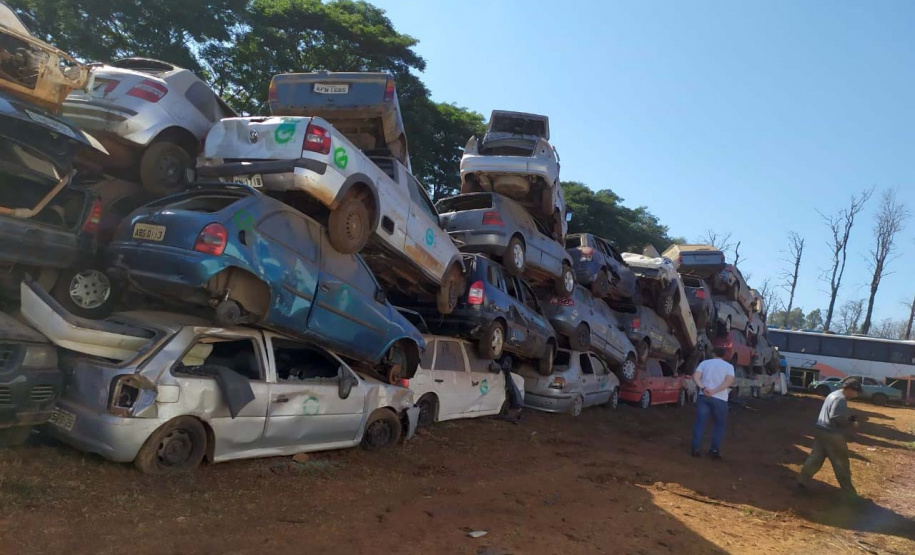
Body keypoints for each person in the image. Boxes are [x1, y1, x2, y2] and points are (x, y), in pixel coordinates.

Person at [797, 377, 862, 502]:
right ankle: (851, 496)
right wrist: (850, 421)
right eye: (856, 392)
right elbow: (836, 418)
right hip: (832, 434)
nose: (856, 395)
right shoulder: (841, 399)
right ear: (850, 389)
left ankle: (802, 481)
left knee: (815, 458)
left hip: (820, 430)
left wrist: (848, 417)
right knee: (842, 464)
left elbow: (832, 414)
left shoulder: (833, 394)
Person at [690, 347, 735, 459]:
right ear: (724, 355)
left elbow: (696, 376)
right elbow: (728, 382)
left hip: (704, 396)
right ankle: (714, 450)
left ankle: (696, 449)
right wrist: (715, 391)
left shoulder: (704, 363)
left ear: (713, 354)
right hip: (720, 398)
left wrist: (703, 388)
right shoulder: (729, 367)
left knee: (700, 422)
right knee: (719, 425)